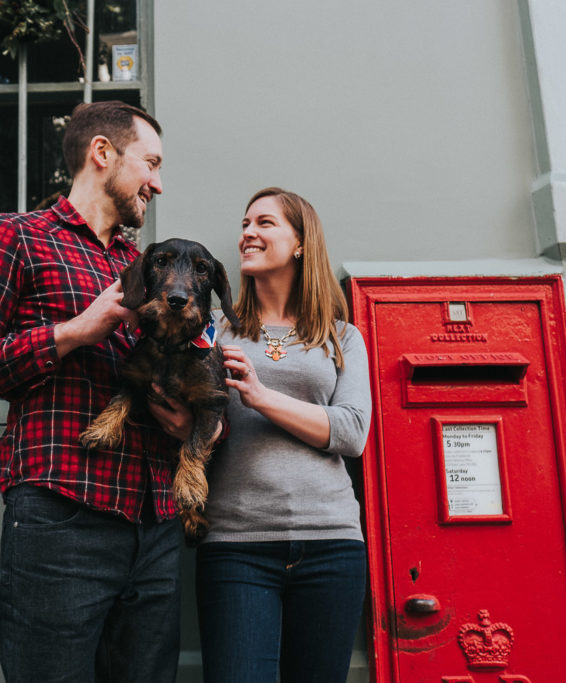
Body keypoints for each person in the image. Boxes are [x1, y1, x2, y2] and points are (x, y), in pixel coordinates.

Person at [0, 101, 190, 683]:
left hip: (156, 523)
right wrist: (72, 332)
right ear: (102, 153)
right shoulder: (15, 236)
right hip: (62, 518)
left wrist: (190, 415)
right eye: (150, 163)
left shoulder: (148, 265)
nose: (159, 183)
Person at [195, 187, 372, 683]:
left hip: (332, 544)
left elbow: (353, 432)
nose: (248, 233)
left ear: (300, 243)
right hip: (235, 546)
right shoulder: (213, 331)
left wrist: (260, 395)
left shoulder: (341, 336)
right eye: (245, 223)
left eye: (265, 223)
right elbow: (190, 422)